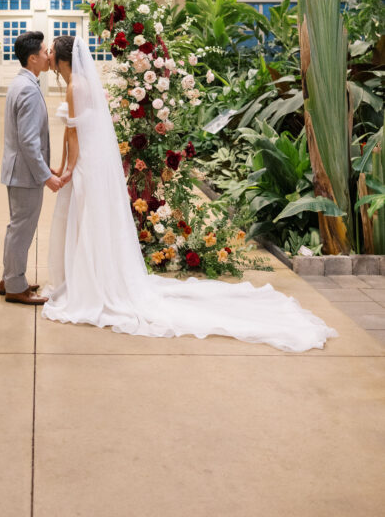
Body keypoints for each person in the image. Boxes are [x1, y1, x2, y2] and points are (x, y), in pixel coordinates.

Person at [42, 34, 339, 353]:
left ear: (60, 59)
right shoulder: (85, 85)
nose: (47, 55)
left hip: (86, 161)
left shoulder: (74, 88)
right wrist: (64, 164)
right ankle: (96, 277)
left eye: (50, 52)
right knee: (95, 220)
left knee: (88, 220)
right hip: (94, 159)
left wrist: (68, 168)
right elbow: (73, 129)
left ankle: (90, 286)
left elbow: (72, 132)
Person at [0, 30, 67, 305]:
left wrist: (46, 167)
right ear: (32, 58)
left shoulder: (22, 83)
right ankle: (16, 286)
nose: (48, 57)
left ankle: (11, 278)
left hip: (19, 170)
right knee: (22, 228)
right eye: (43, 53)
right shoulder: (28, 88)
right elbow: (28, 141)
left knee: (17, 227)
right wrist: (44, 176)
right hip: (25, 174)